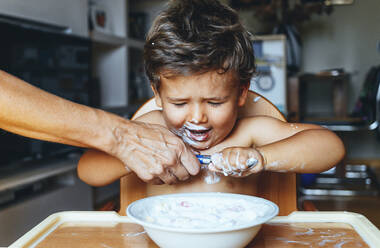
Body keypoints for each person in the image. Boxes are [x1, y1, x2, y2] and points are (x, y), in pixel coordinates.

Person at [76, 0, 345, 197]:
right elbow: (88, 169)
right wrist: (134, 154)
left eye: (214, 103)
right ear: (157, 94)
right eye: (179, 103)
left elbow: (330, 147)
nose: (197, 118)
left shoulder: (249, 132)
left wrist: (260, 157)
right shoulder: (151, 130)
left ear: (241, 92)